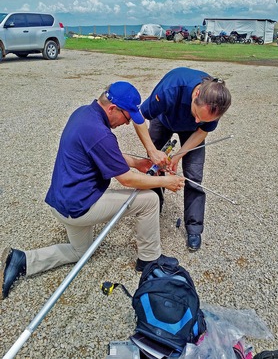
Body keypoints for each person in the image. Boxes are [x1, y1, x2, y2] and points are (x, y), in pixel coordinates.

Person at [0, 81, 185, 300]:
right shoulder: (100, 133)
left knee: (81, 251)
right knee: (149, 200)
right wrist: (166, 182)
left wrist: (138, 163)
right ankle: (149, 259)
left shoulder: (83, 114)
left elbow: (103, 152)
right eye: (127, 117)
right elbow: (126, 180)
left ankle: (23, 260)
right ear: (112, 109)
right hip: (79, 207)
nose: (127, 124)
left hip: (62, 202)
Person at [135, 67, 232, 252]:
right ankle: (154, 208)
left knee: (194, 175)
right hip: (164, 120)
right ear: (196, 94)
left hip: (192, 134)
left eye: (202, 119)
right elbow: (139, 117)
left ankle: (194, 228)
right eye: (197, 114)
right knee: (154, 168)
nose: (197, 120)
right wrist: (152, 150)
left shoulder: (216, 103)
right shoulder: (170, 89)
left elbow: (201, 130)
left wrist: (179, 155)